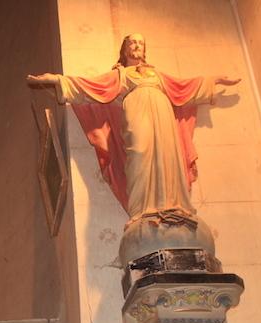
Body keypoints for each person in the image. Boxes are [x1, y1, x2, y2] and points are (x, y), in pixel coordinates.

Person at [28, 33, 240, 227]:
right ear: (125, 49)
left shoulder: (157, 75)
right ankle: (142, 210)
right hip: (137, 115)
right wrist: (57, 80)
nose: (137, 45)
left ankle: (174, 207)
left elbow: (185, 87)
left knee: (168, 157)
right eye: (133, 42)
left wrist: (214, 80)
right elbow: (89, 87)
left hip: (162, 113)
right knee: (139, 155)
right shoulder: (120, 75)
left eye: (140, 43)